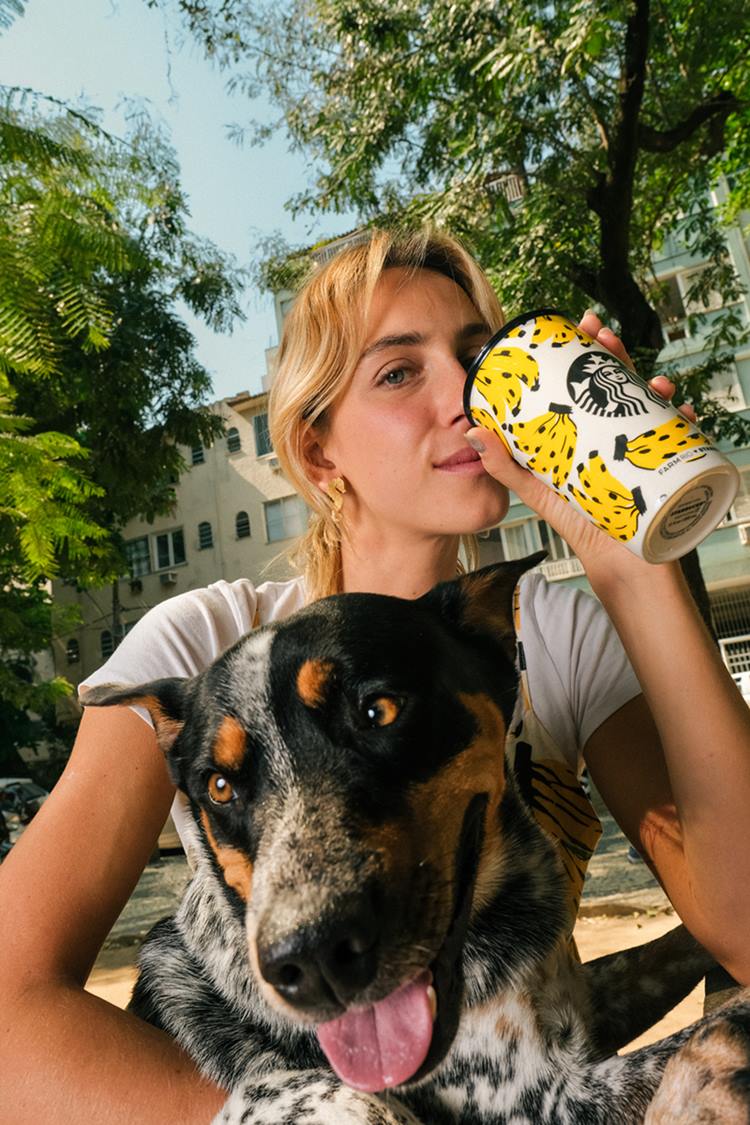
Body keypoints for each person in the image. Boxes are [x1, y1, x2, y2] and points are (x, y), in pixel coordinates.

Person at [2, 227, 750, 1123]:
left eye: (480, 359)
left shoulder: (553, 628)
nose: (466, 399)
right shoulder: (205, 642)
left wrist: (637, 565)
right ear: (319, 454)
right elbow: (11, 1008)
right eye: (400, 372)